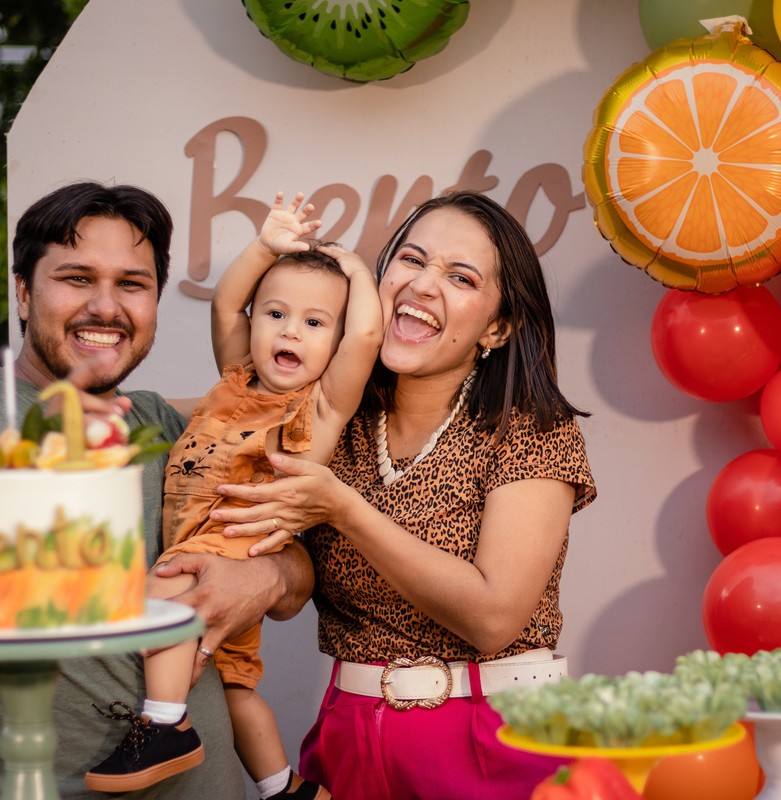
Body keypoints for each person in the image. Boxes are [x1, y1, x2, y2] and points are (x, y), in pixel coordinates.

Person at [0, 181, 314, 800]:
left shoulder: (169, 426)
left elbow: (294, 578)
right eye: (75, 278)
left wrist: (269, 577)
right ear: (22, 292)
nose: (106, 307)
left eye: (132, 283)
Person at [188, 190, 598, 800]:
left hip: (497, 742)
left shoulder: (531, 428)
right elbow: (286, 587)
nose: (425, 285)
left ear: (497, 326)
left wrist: (344, 509)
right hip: (349, 741)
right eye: (412, 260)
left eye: (460, 277)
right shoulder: (328, 416)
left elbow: (494, 618)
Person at [84, 193, 380, 799]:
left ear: (338, 342)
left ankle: (165, 724)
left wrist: (353, 271)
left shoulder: (320, 409)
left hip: (233, 547)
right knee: (237, 690)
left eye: (316, 323)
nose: (290, 329)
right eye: (275, 314)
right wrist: (266, 246)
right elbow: (224, 302)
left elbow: (369, 333)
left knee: (161, 586)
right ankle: (282, 788)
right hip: (218, 562)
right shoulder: (235, 380)